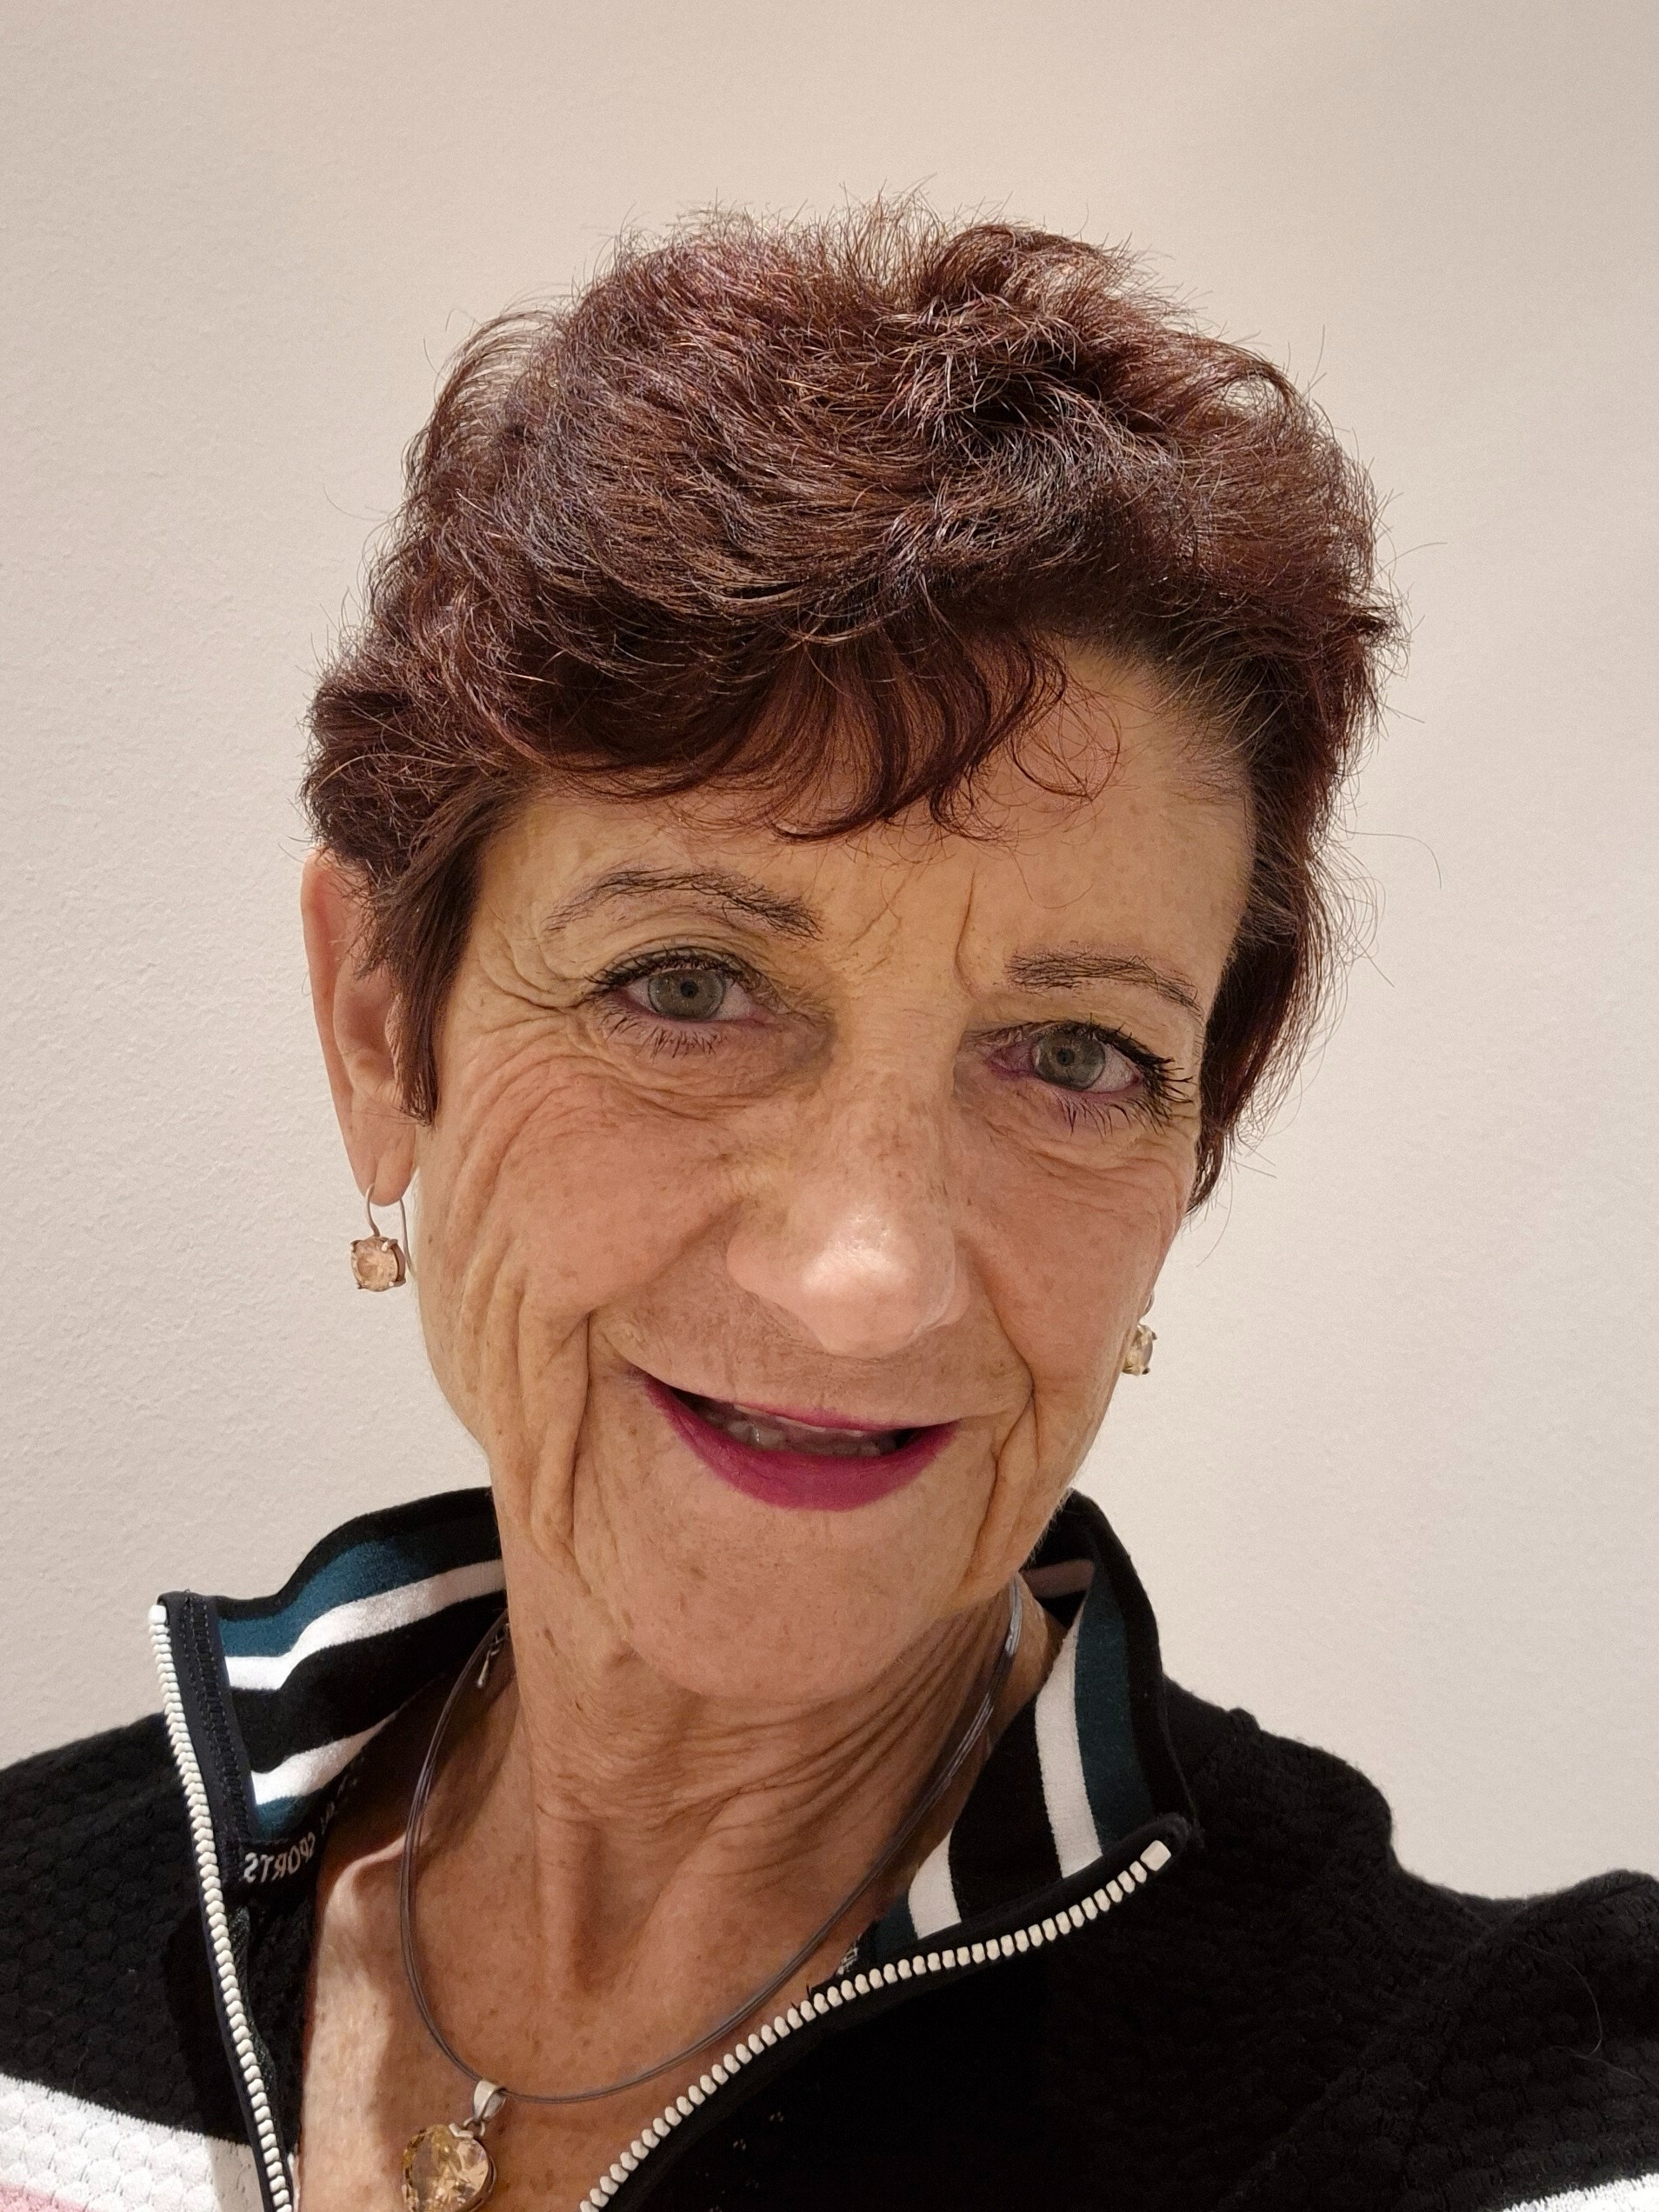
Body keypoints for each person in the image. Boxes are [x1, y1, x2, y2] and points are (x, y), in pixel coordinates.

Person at [2, 207, 1655, 2212]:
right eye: (686, 987)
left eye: (1073, 1054)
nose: (863, 1281)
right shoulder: (34, 1949)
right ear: (381, 1027)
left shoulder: (1471, 2104)